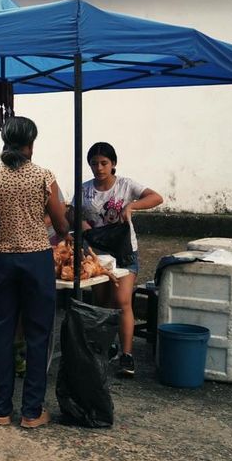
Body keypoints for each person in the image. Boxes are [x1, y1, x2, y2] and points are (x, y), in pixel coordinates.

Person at [0, 117, 69, 430]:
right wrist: (55, 225)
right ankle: (31, 412)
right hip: (37, 261)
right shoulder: (44, 176)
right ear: (31, 144)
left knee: (3, 332)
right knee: (38, 335)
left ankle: (1, 410)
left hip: (3, 261)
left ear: (5, 142)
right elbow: (61, 224)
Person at [77, 142, 163, 377]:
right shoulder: (84, 190)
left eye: (104, 163)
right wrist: (80, 222)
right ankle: (106, 346)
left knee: (122, 301)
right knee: (101, 302)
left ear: (113, 163)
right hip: (97, 256)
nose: (99, 168)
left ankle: (127, 355)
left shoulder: (126, 185)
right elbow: (70, 211)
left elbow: (156, 198)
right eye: (94, 164)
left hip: (124, 253)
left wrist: (132, 206)